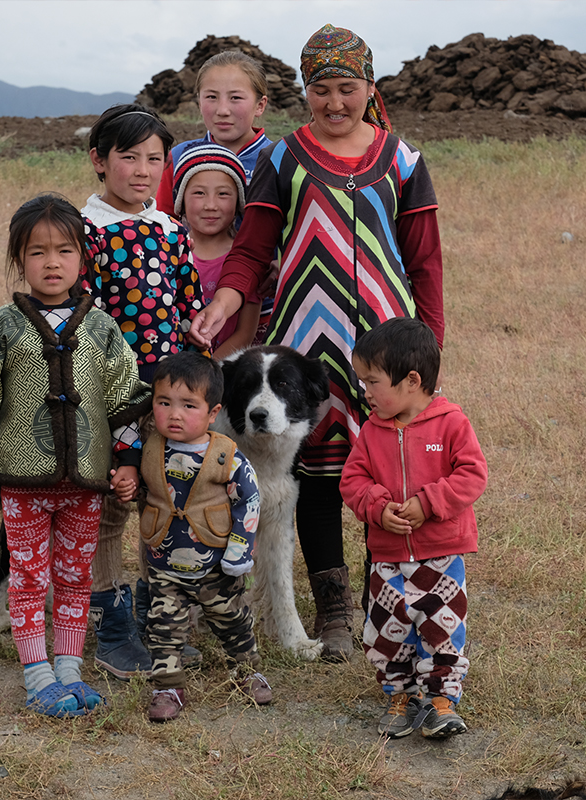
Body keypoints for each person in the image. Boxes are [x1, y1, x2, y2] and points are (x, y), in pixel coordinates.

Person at [188, 24, 445, 660]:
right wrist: (226, 299)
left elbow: (426, 263)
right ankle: (332, 610)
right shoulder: (284, 158)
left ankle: (383, 604)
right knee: (324, 474)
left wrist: (429, 348)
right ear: (306, 92)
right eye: (321, 90)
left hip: (388, 345)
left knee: (391, 468)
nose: (334, 103)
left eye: (347, 89)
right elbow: (252, 248)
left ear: (369, 87)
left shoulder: (404, 160)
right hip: (305, 345)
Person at [0, 194, 148, 717]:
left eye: (64, 251)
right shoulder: (0, 327)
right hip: (24, 481)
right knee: (30, 576)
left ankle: (70, 667)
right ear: (19, 259)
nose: (52, 263)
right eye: (37, 252)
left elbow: (123, 399)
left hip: (86, 483)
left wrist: (127, 460)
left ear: (83, 258)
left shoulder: (102, 330)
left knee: (75, 575)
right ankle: (37, 675)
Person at [76, 102, 206, 680]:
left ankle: (160, 615)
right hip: (105, 394)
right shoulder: (85, 234)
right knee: (109, 503)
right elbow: (78, 316)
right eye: (129, 157)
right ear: (99, 161)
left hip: (164, 395)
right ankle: (109, 620)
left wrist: (197, 377)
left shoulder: (170, 230)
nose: (143, 170)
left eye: (155, 158)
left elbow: (188, 308)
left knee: (161, 496)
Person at [339, 318, 487, 740]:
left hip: (441, 554)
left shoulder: (451, 423)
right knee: (387, 629)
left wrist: (429, 502)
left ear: (412, 380)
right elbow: (352, 481)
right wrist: (378, 508)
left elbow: (472, 474)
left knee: (441, 627)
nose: (364, 391)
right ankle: (399, 695)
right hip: (387, 557)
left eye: (371, 381)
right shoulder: (371, 431)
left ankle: (441, 700)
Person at [138, 351, 271, 722]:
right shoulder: (149, 449)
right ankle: (168, 685)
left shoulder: (226, 456)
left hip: (215, 565)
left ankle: (246, 670)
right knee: (162, 625)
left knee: (231, 620)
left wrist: (239, 550)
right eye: (164, 403)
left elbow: (249, 500)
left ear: (213, 413)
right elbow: (140, 489)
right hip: (164, 563)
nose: (174, 414)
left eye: (188, 405)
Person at [155, 50, 271, 215]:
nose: (222, 110)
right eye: (211, 97)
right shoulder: (179, 156)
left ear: (260, 105)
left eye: (235, 98)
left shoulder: (279, 160)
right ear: (199, 102)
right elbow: (165, 225)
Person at [171, 143, 260, 357]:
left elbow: (245, 333)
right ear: (181, 200)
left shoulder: (246, 259)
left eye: (223, 194)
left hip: (224, 373)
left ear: (239, 201)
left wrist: (210, 369)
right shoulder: (167, 251)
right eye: (199, 193)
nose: (211, 205)